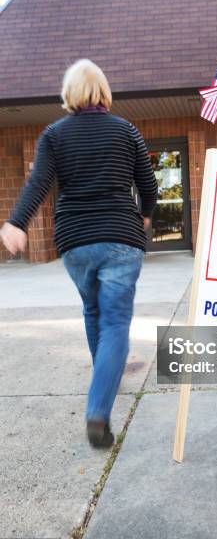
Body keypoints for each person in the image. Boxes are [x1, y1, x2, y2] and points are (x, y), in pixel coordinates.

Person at [0, 59, 158, 448]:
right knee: (117, 322)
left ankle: (103, 375)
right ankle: (99, 408)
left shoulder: (54, 134)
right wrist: (145, 215)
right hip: (121, 237)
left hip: (76, 243)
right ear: (104, 92)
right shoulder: (126, 130)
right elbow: (148, 184)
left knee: (93, 311)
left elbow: (39, 183)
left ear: (69, 94)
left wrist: (16, 222)